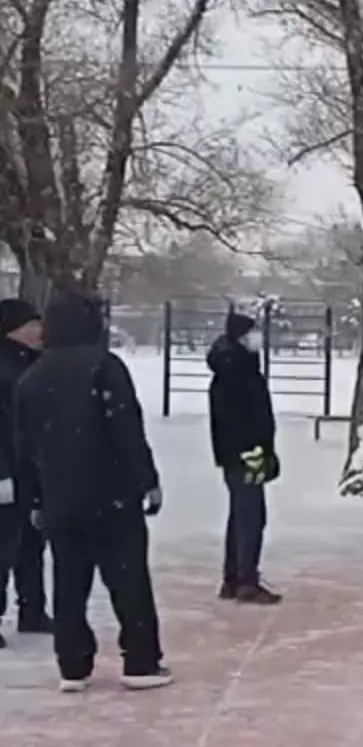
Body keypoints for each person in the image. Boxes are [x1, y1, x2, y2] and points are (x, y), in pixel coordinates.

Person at [15, 288, 168, 693]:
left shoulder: (33, 377)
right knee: (128, 579)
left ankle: (73, 664)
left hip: (60, 498)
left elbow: (25, 447)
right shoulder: (105, 367)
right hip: (111, 493)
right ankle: (140, 660)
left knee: (69, 582)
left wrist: (34, 498)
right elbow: (126, 430)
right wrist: (147, 480)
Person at [206, 312, 281, 605]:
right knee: (250, 515)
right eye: (253, 333)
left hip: (241, 452)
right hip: (246, 453)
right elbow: (242, 418)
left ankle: (234, 576)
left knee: (241, 514)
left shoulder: (237, 368)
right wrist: (256, 451)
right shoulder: (237, 372)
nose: (257, 338)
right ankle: (245, 579)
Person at [0, 297, 51, 645]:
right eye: (31, 324)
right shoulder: (4, 367)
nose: (38, 330)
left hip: (33, 468)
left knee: (33, 540)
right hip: (7, 469)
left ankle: (32, 609)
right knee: (4, 545)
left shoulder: (35, 363)